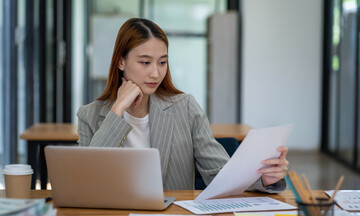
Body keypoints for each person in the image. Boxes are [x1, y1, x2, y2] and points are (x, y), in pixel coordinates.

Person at [77, 18, 289, 191]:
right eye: (145, 62)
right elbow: (86, 180)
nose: (156, 73)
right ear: (121, 62)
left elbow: (219, 172)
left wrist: (264, 179)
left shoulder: (185, 107)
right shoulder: (89, 115)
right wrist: (118, 109)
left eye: (162, 62)